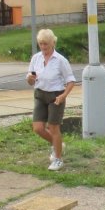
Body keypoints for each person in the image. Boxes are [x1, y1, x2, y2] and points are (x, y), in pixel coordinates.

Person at [27, 28, 76, 171]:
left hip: (56, 96)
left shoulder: (61, 60)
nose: (43, 47)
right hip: (40, 94)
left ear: (53, 43)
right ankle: (58, 144)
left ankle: (58, 159)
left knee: (53, 127)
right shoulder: (36, 58)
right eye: (41, 44)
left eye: (46, 44)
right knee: (38, 128)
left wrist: (63, 95)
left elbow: (71, 81)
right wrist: (30, 78)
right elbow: (30, 80)